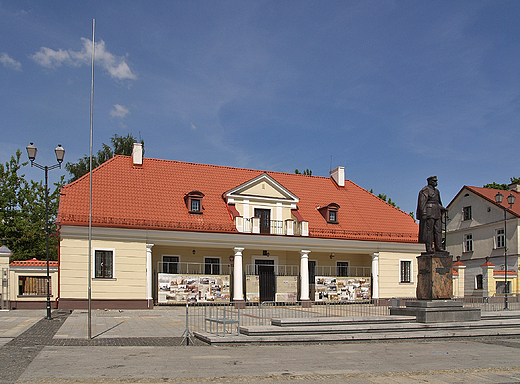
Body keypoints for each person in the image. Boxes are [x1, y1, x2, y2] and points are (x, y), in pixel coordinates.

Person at [417, 176, 447, 253]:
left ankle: (439, 247)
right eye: (434, 181)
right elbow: (422, 202)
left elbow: (437, 202)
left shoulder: (437, 191)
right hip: (429, 212)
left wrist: (442, 208)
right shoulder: (425, 190)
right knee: (429, 231)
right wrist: (423, 213)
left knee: (438, 230)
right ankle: (429, 248)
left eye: (436, 181)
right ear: (429, 181)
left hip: (437, 212)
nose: (436, 182)